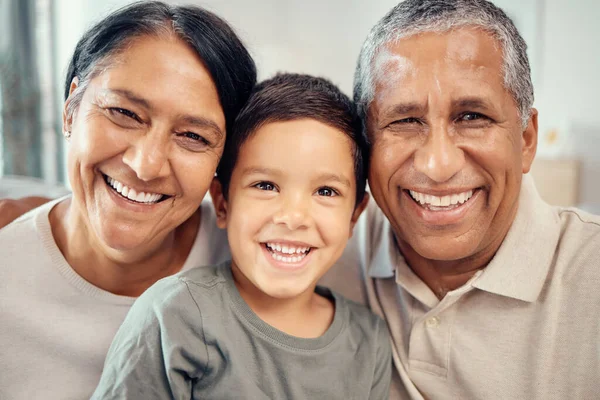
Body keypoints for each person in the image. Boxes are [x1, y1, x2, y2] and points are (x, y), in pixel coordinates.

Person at [339, 0, 600, 398]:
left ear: (526, 140)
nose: (437, 165)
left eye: (472, 117)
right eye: (405, 121)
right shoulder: (321, 246)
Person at [0, 1, 256, 398]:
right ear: (71, 110)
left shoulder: (257, 265)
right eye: (124, 112)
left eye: (193, 137)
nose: (147, 165)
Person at [91, 73, 391, 400]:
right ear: (222, 202)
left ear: (354, 216)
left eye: (325, 191)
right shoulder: (175, 315)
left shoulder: (369, 340)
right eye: (265, 186)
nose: (292, 218)